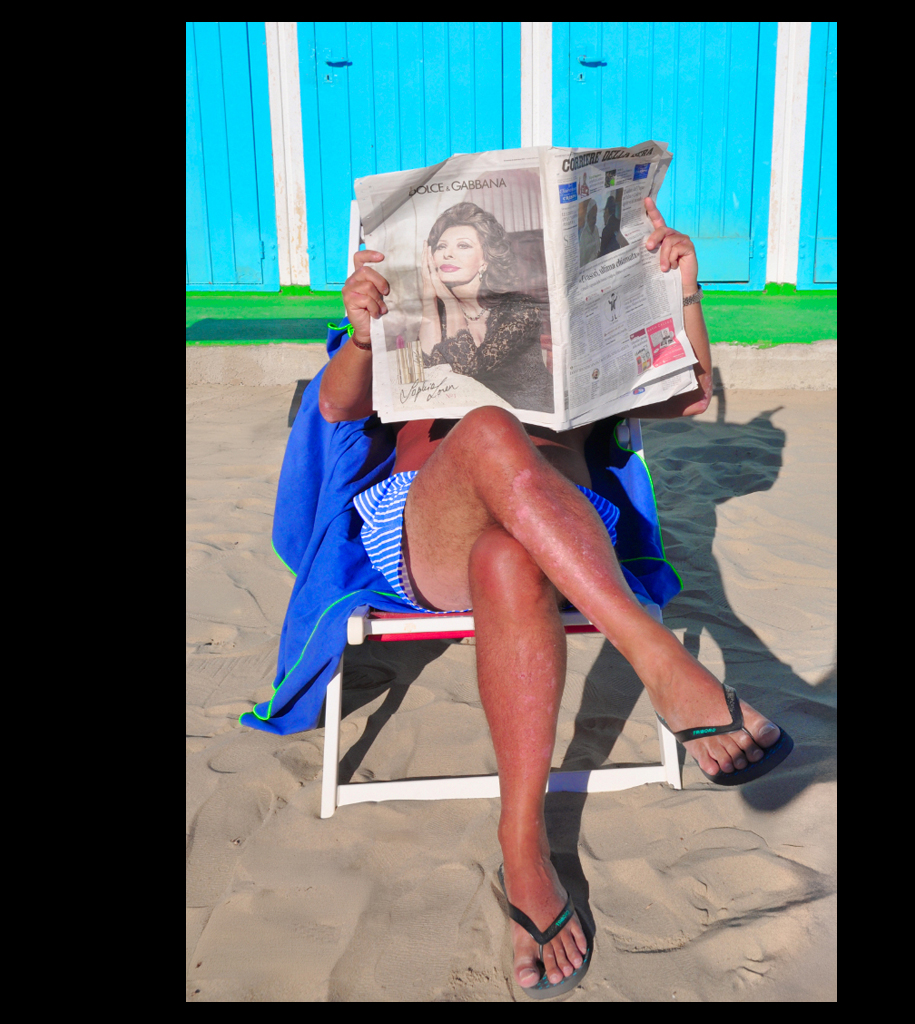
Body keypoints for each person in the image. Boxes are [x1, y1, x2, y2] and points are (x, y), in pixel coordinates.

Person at [318, 197, 791, 996]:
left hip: (558, 531)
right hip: (431, 524)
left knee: (510, 555)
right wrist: (364, 335)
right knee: (487, 427)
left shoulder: (560, 331)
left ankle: (523, 841)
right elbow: (336, 407)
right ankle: (660, 660)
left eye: (466, 244)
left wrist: (683, 289)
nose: (450, 257)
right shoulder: (403, 320)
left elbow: (686, 396)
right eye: (440, 246)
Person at [416, 202, 553, 413]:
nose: (447, 254)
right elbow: (431, 375)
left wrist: (450, 302)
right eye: (441, 247)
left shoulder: (520, 309)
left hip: (530, 419)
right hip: (468, 420)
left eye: (463, 245)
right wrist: (429, 299)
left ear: (485, 261)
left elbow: (468, 369)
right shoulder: (438, 317)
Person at [578, 200, 600, 267]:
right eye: (593, 217)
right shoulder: (583, 233)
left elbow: (598, 248)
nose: (595, 220)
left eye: (595, 216)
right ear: (588, 216)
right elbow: (582, 258)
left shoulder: (596, 230)